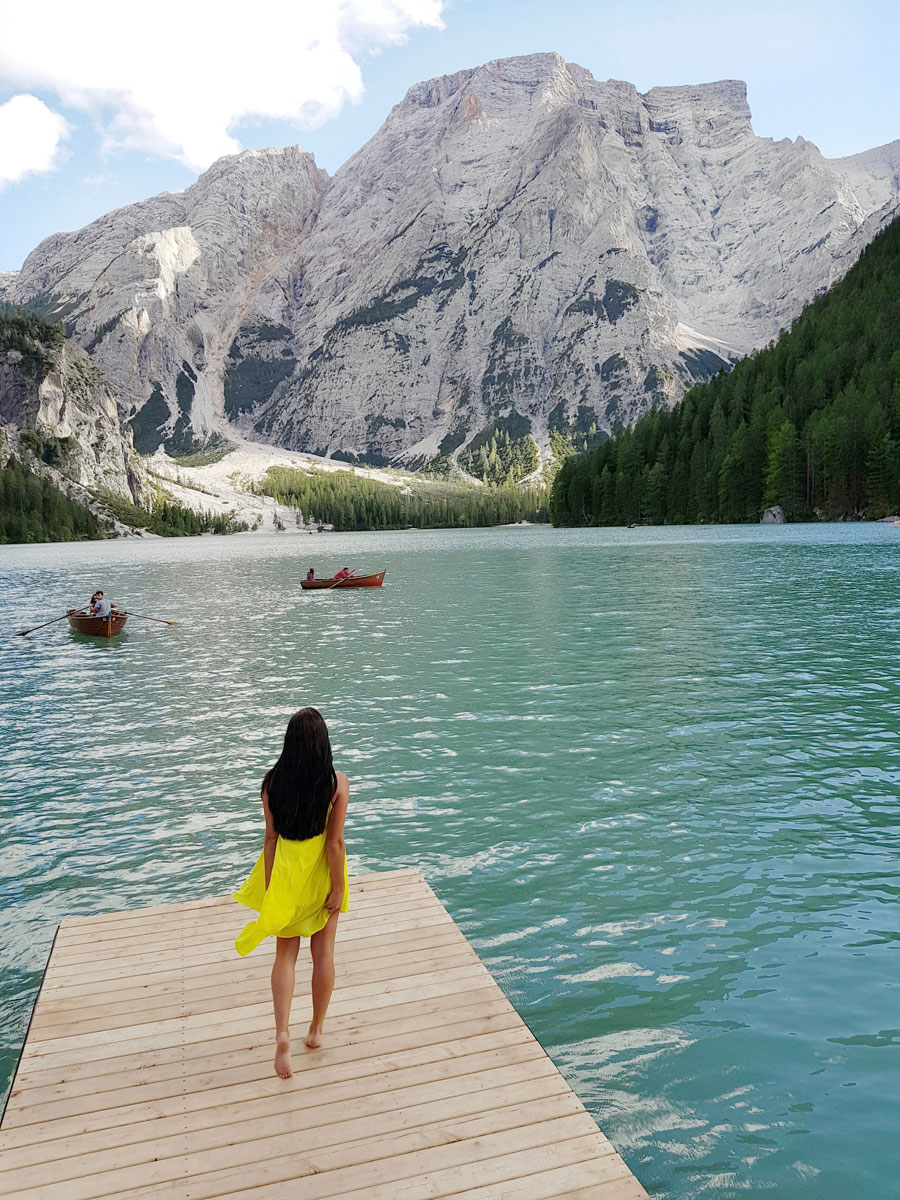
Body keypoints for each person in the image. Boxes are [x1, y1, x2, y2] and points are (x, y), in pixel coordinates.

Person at [233, 707, 349, 1078]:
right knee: (323, 953)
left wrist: (272, 888)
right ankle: (314, 1031)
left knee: (285, 956)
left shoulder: (271, 783)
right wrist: (338, 887)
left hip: (286, 875)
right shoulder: (336, 784)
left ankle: (282, 1032)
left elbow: (270, 838)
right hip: (320, 876)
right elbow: (334, 843)